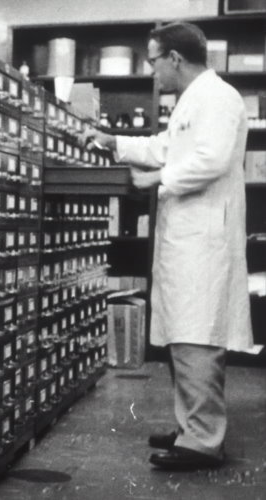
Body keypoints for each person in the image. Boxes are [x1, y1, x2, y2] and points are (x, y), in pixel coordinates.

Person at [81, 22, 252, 471]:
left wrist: (160, 178)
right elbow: (166, 146)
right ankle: (192, 426)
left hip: (204, 240)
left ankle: (202, 440)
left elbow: (209, 159)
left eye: (154, 61)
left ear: (174, 58)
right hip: (187, 238)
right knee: (184, 336)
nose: (153, 71)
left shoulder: (218, 97)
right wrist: (113, 141)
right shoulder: (192, 101)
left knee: (197, 336)